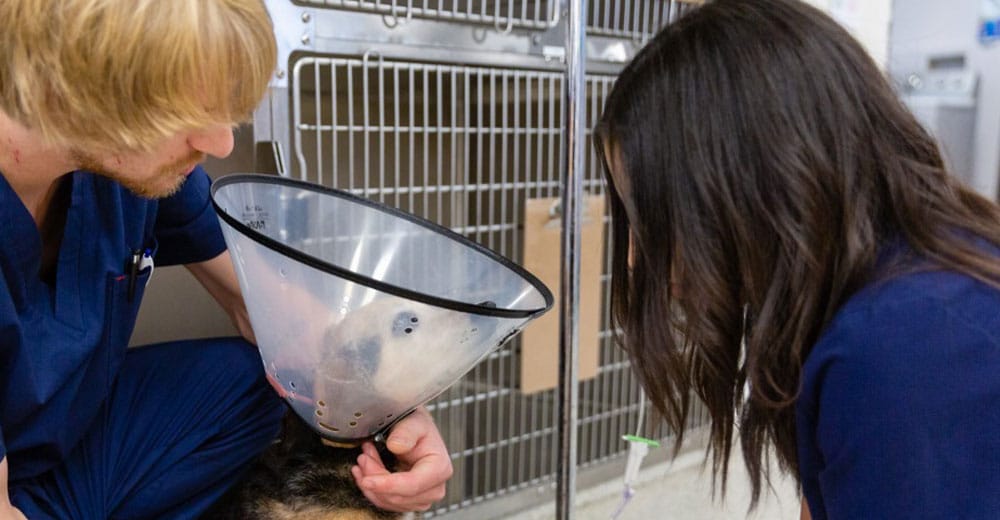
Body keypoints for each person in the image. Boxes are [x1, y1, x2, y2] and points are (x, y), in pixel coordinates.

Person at [0, 1, 452, 518]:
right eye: (186, 114)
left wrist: (393, 423)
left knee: (265, 382)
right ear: (66, 89)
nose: (220, 143)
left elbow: (291, 332)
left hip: (67, 454)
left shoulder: (119, 165)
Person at [594, 0, 1000, 518]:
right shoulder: (882, 294)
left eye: (654, 220)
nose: (633, 261)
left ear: (748, 186)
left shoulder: (905, 346)